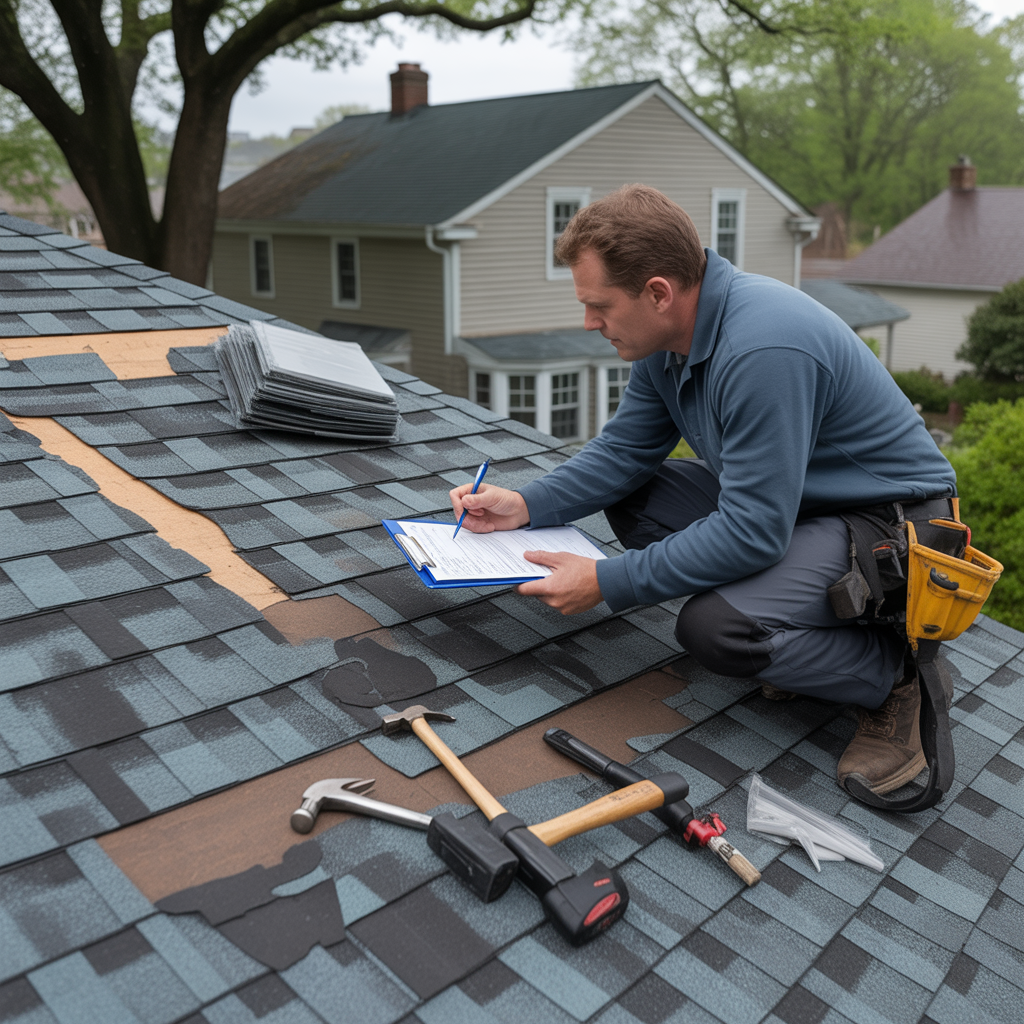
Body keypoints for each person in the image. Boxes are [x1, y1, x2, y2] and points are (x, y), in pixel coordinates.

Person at [450, 184, 958, 798]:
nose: (588, 322)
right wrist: (527, 505)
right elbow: (624, 453)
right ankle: (789, 618)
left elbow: (752, 531)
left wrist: (608, 581)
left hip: (895, 528)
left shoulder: (762, 347)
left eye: (599, 305)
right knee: (636, 495)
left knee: (716, 629)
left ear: (658, 292)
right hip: (803, 510)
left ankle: (893, 674)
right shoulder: (666, 342)